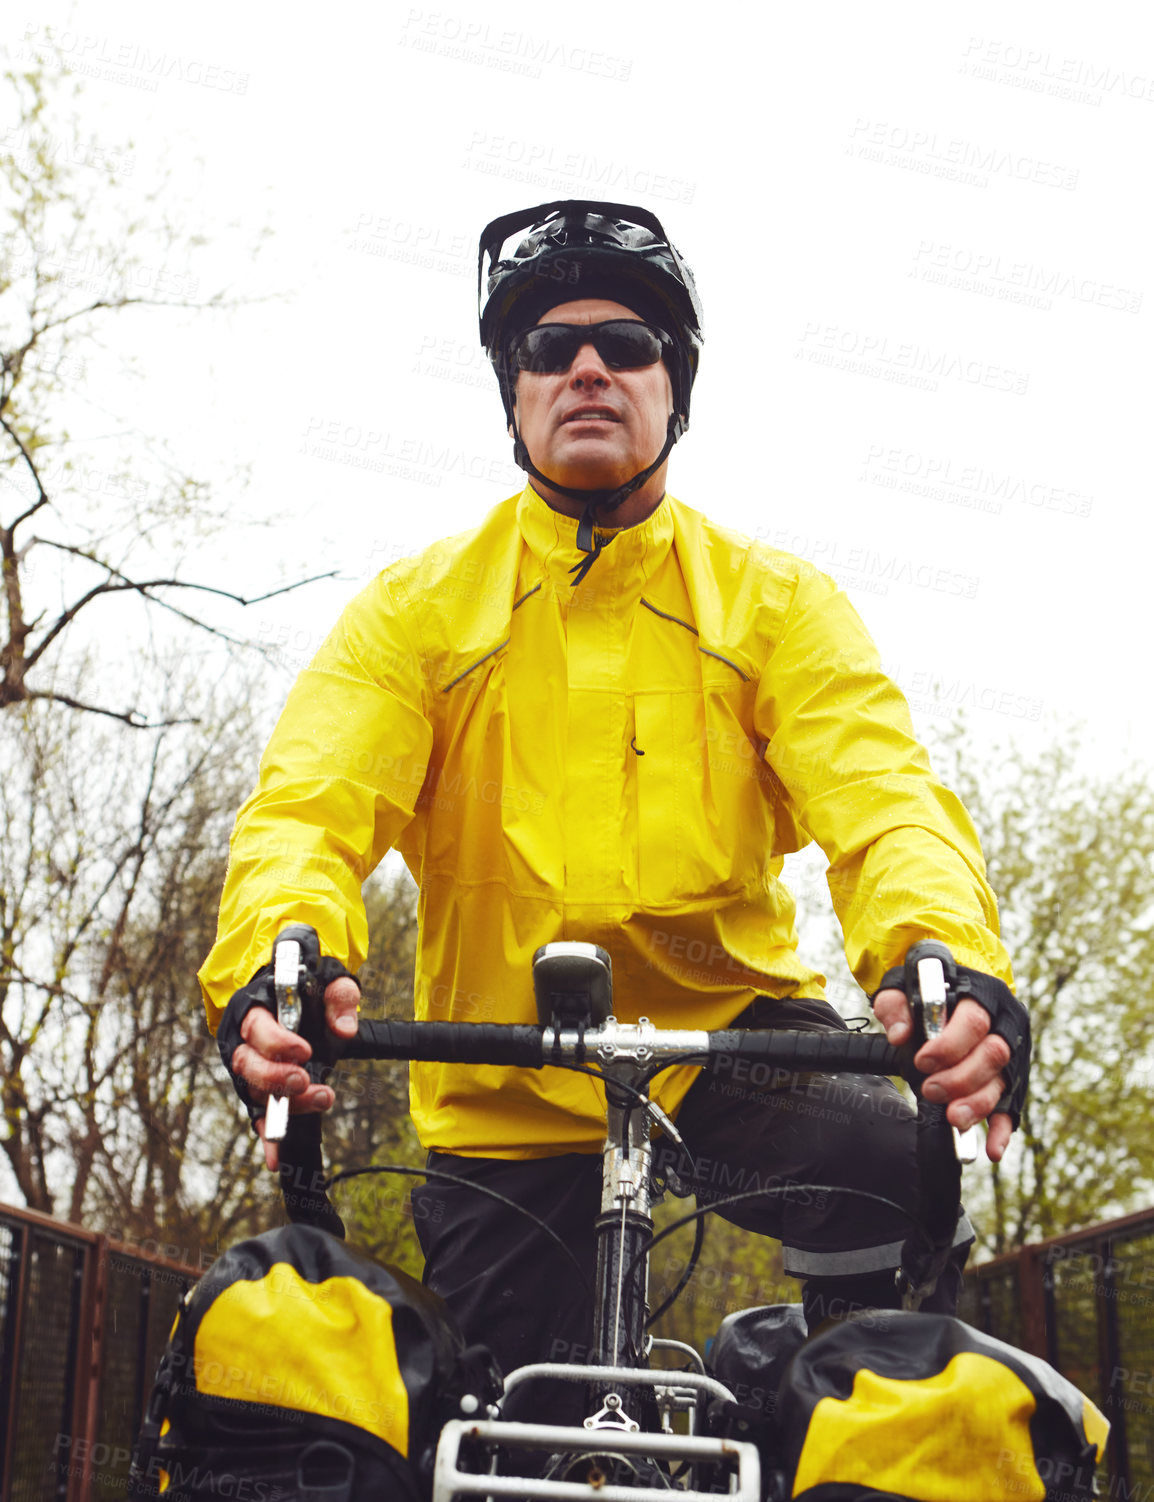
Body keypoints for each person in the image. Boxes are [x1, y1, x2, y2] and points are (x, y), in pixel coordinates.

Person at [199, 200, 1029, 1396]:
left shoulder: (775, 604)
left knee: (895, 1149)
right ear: (514, 394)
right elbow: (303, 814)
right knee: (512, 1453)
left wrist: (940, 962)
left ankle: (841, 1423)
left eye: (627, 343)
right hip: (500, 1091)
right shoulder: (415, 611)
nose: (586, 365)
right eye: (546, 347)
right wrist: (278, 966)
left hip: (723, 1040)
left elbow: (882, 799)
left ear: (671, 386)